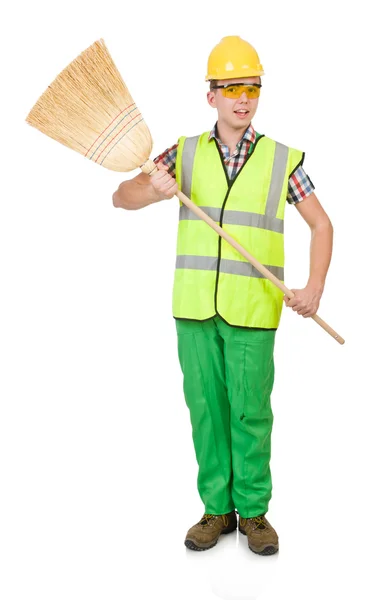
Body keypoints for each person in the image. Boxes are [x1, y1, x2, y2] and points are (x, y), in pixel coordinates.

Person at [112, 35, 333, 556]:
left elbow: (321, 225)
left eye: (251, 87)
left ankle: (254, 513)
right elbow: (121, 198)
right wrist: (153, 188)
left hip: (254, 309)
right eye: (231, 87)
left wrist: (314, 287)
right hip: (193, 308)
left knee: (249, 411)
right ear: (210, 95)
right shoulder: (182, 153)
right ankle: (216, 510)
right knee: (206, 409)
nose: (243, 97)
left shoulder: (282, 160)